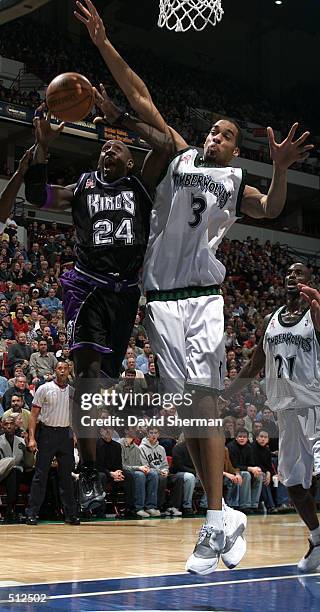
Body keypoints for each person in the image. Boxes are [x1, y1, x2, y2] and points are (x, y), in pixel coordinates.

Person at [74, 0, 314, 574]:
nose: (217, 135)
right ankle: (221, 514)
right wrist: (104, 44)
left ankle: (215, 518)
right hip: (158, 301)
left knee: (204, 402)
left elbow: (274, 206)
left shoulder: (233, 181)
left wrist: (278, 168)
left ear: (236, 151)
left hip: (201, 299)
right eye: (215, 129)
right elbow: (140, 100)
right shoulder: (180, 157)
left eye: (228, 134)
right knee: (188, 423)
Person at [24, 90, 176, 499]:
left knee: (100, 383)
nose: (109, 150)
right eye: (104, 147)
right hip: (86, 284)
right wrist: (41, 147)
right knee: (88, 375)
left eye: (118, 148)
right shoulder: (83, 186)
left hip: (125, 294)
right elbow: (38, 197)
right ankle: (89, 469)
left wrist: (119, 118)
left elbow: (164, 143)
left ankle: (90, 461)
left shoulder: (141, 184)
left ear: (130, 161)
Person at [220, 265, 320, 571]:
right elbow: (253, 367)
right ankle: (317, 539)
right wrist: (224, 397)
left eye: (299, 273)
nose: (292, 276)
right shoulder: (270, 320)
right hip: (285, 414)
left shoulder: (315, 314)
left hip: (315, 407)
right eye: (288, 273)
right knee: (293, 484)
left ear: (308, 282)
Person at [26, 362, 79, 525]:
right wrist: (32, 438)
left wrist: (75, 434)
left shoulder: (73, 391)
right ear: (55, 371)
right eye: (59, 368)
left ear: (69, 370)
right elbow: (33, 416)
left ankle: (70, 515)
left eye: (65, 368)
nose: (62, 371)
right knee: (40, 475)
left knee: (66, 477)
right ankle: (32, 513)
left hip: (65, 435)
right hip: (47, 433)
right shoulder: (44, 388)